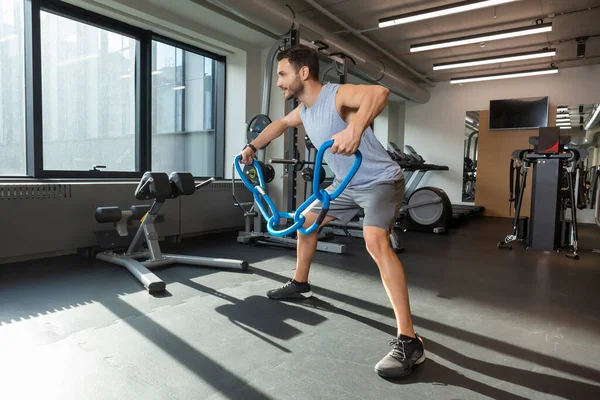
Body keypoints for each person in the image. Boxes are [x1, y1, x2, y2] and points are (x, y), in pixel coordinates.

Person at [239, 45, 425, 378]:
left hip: (381, 181)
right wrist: (253, 148)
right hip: (346, 185)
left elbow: (379, 92)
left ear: (303, 73)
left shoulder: (335, 95)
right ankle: (300, 283)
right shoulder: (304, 111)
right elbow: (280, 125)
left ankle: (410, 340)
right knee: (305, 221)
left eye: (283, 74)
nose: (280, 82)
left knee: (375, 241)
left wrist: (355, 129)